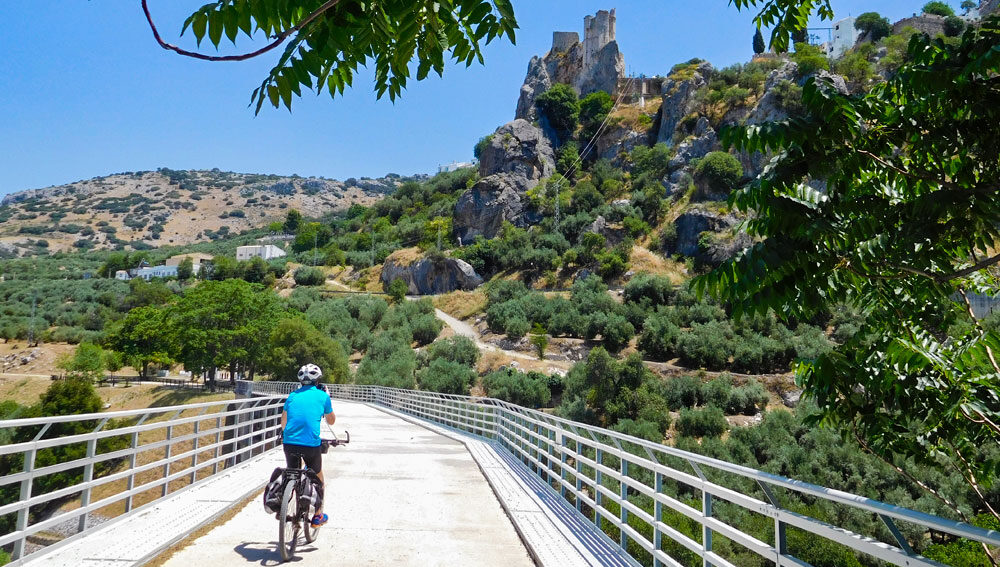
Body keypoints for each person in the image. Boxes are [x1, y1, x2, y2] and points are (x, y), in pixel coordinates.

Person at [281, 363, 335, 527]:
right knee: (318, 477)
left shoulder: (292, 396)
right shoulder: (322, 396)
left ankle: (291, 501)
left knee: (293, 472)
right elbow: (331, 421)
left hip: (289, 444)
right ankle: (318, 516)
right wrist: (327, 397)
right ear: (317, 381)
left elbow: (283, 424)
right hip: (310, 445)